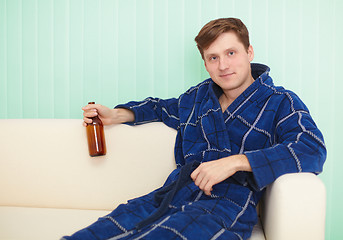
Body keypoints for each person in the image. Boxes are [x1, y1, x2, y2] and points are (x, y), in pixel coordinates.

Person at [62, 18, 326, 240]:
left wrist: (235, 162)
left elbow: (311, 148)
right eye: (213, 57)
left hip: (225, 205)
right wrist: (117, 114)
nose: (223, 65)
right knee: (97, 232)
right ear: (205, 62)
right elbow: (161, 108)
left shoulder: (281, 101)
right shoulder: (199, 98)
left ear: (249, 52)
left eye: (231, 53)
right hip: (171, 194)